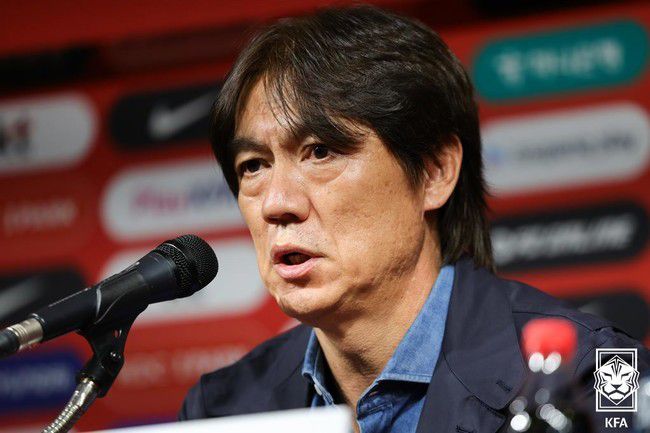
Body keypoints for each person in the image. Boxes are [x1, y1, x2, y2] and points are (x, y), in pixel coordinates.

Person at [179, 5, 649, 432]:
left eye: (320, 151)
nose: (276, 203)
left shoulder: (593, 374)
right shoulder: (221, 411)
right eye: (253, 166)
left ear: (435, 172)